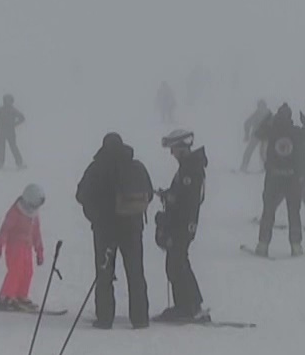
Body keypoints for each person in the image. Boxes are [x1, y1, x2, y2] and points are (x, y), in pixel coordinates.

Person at [76, 132, 155, 327]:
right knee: (135, 273)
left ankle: (105, 318)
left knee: (104, 274)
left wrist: (96, 214)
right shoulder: (136, 166)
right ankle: (140, 318)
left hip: (105, 230)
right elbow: (149, 194)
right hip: (133, 228)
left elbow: (81, 194)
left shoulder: (97, 168)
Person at [155, 130, 209, 322]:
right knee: (177, 263)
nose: (172, 154)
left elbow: (189, 200)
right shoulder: (189, 166)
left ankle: (190, 307)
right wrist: (169, 195)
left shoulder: (190, 169)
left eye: (173, 150)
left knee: (177, 264)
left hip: (182, 225)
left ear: (182, 149)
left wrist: (171, 199)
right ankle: (187, 305)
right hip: (182, 223)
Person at [254, 104, 305, 257]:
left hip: (273, 179)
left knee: (268, 212)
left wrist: (267, 119)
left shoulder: (272, 130)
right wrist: (304, 120)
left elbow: (257, 133)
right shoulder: (295, 132)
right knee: (294, 213)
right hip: (292, 180)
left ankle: (262, 245)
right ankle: (296, 246)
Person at [0, 184, 47, 309]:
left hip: (27, 247)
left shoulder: (33, 215)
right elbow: (5, 229)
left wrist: (39, 251)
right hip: (14, 247)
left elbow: (36, 234)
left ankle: (20, 294)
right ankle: (6, 296)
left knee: (28, 271)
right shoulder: (15, 212)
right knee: (16, 270)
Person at [0, 93, 27, 170]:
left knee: (7, 147)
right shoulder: (12, 110)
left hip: (3, 131)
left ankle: (2, 164)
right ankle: (17, 163)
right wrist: (15, 124)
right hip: (8, 131)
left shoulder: (3, 109)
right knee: (10, 147)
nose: (8, 102)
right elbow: (22, 118)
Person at [240, 101, 272, 173]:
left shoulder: (264, 114)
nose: (261, 108)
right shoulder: (267, 115)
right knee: (255, 151)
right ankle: (245, 166)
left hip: (261, 136)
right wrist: (247, 135)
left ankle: (265, 168)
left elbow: (247, 123)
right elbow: (247, 123)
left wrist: (247, 135)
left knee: (260, 152)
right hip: (260, 136)